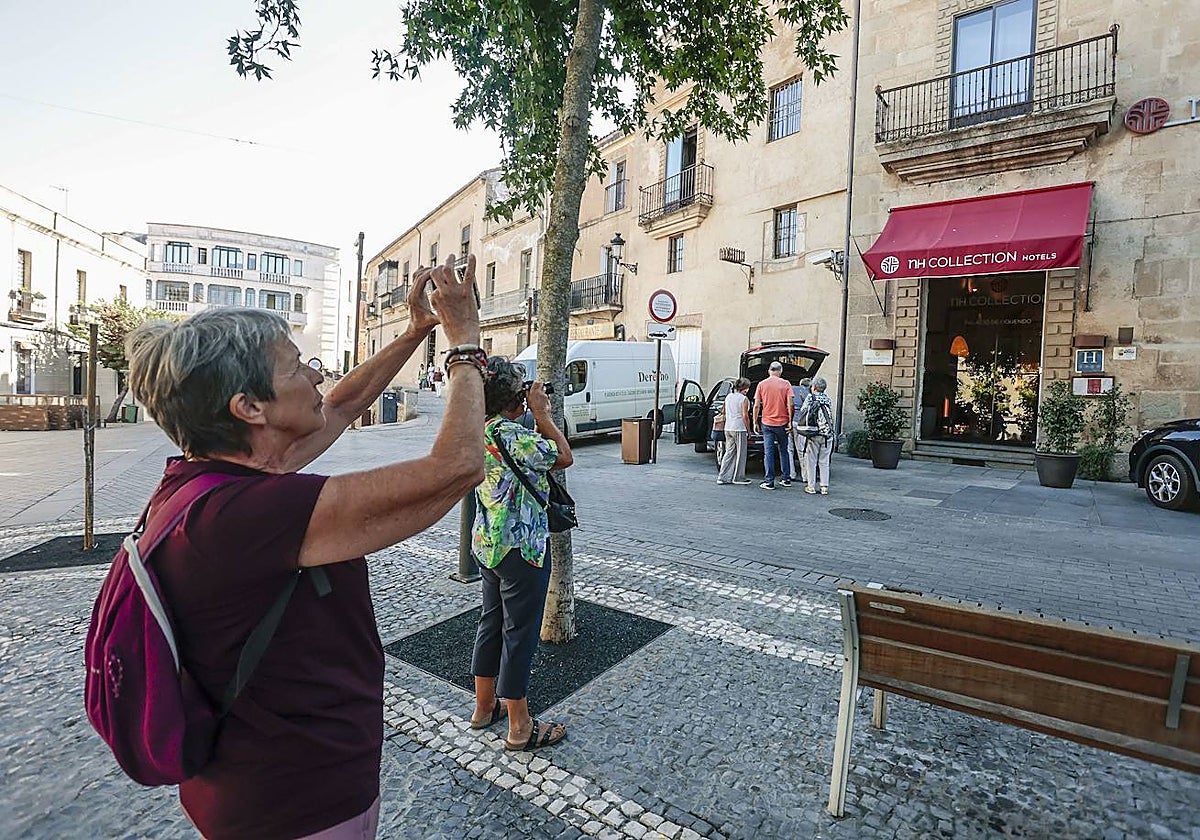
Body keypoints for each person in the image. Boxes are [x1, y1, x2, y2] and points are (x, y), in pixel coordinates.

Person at [124, 255, 485, 840]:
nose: (316, 375)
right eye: (298, 367)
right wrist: (464, 343)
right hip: (295, 802)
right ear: (250, 407)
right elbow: (458, 467)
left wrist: (417, 331)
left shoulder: (209, 480)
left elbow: (341, 404)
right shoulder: (245, 518)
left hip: (264, 785)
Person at [471, 357, 573, 751]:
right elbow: (563, 456)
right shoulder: (513, 435)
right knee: (520, 634)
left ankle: (484, 708)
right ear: (516, 399)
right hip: (522, 549)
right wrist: (543, 414)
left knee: (490, 623)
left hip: (487, 545)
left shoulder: (475, 430)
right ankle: (519, 726)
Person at [753, 361, 794, 489]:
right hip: (782, 423)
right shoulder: (786, 384)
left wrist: (755, 422)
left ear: (769, 371)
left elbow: (756, 405)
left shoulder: (761, 384)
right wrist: (790, 421)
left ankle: (769, 481)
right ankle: (786, 478)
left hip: (767, 423)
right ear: (780, 371)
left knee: (768, 452)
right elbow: (791, 404)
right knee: (784, 450)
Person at [798, 376, 836, 495]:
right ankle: (824, 486)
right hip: (827, 433)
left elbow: (803, 412)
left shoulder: (810, 397)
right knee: (824, 461)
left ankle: (811, 486)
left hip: (814, 432)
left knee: (811, 460)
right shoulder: (827, 399)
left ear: (813, 387)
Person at [717, 378, 752, 485]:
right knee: (741, 454)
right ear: (745, 388)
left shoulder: (728, 397)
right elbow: (745, 416)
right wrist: (748, 430)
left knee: (729, 452)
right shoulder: (743, 399)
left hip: (728, 427)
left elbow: (723, 410)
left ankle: (723, 476)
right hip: (739, 428)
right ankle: (739, 477)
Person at [789, 378, 812, 485]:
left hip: (790, 421)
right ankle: (805, 476)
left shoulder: (792, 389)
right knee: (801, 450)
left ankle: (791, 473)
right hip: (801, 423)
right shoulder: (809, 393)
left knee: (789, 449)